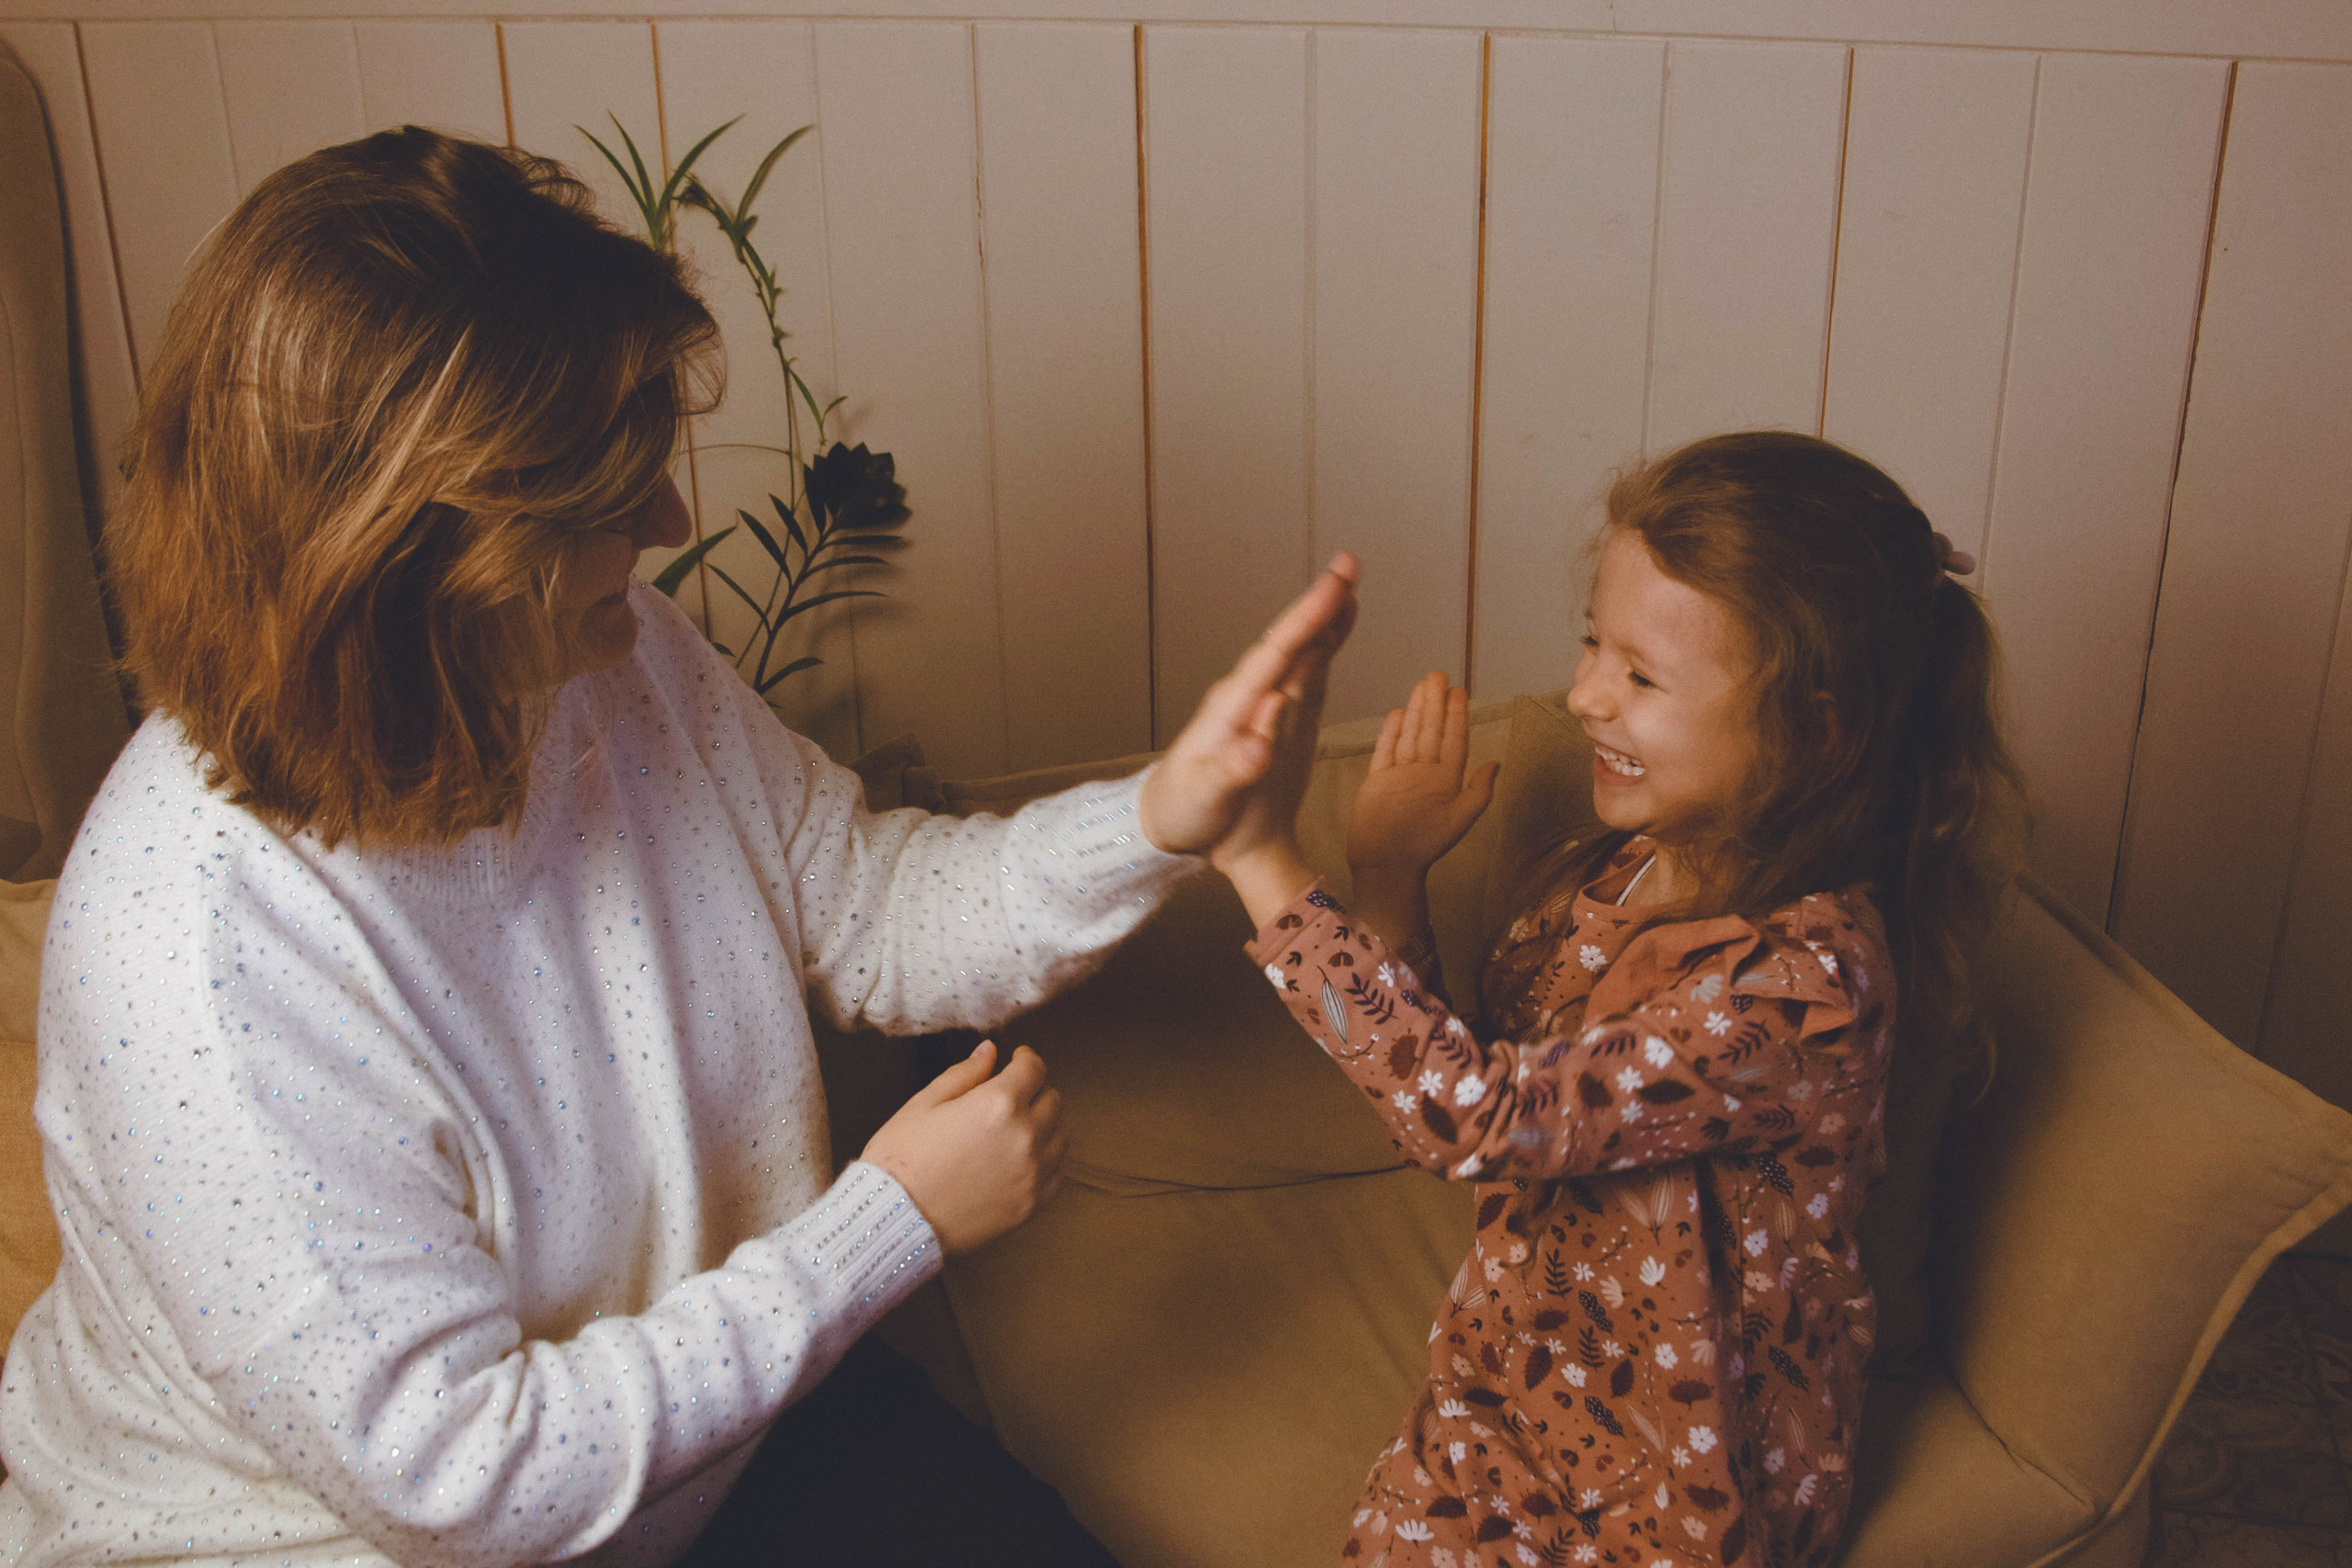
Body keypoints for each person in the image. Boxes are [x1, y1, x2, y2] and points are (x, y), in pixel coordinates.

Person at [0, 128, 1356, 1568]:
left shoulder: (596, 652)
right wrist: (882, 1226)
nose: (671, 522)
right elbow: (465, 1478)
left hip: (706, 1430)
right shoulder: (197, 951)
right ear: (425, 554)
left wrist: (1164, 812)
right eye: (608, 494)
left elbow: (870, 904)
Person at [1216, 433, 2025, 1567]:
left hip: (1677, 1499)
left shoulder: (1802, 990)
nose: (1585, 695)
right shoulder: (1624, 871)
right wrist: (1390, 877)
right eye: (1593, 645)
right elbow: (1464, 1095)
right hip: (1504, 1409)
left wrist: (1259, 859)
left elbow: (1472, 1117)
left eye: (1642, 677)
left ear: (1812, 732)